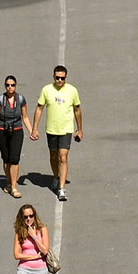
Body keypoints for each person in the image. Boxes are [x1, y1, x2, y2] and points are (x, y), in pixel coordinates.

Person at [31, 64, 82, 198]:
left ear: (66, 78)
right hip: (52, 129)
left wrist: (79, 129)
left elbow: (77, 110)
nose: (59, 80)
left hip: (66, 130)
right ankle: (55, 177)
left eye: (62, 78)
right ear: (53, 77)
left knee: (63, 157)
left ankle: (62, 188)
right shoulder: (46, 90)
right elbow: (39, 108)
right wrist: (34, 128)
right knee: (53, 156)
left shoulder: (72, 91)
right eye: (57, 78)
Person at [0, 75, 29, 195]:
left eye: (12, 85)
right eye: (8, 85)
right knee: (6, 159)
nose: (10, 87)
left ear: (16, 86)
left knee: (15, 159)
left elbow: (25, 117)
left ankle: (14, 186)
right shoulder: (0, 99)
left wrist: (32, 131)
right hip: (2, 131)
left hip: (16, 130)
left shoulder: (21, 99)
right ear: (5, 86)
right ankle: (9, 181)